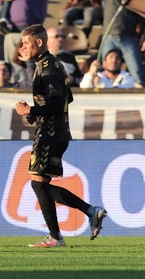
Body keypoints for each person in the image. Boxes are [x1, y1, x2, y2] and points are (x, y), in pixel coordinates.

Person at [15, 24, 107, 247]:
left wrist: (30, 110)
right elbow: (67, 99)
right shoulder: (55, 64)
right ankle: (90, 212)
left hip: (50, 134)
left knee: (38, 184)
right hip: (57, 132)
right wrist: (37, 113)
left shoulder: (46, 67)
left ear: (39, 42)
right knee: (42, 185)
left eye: (26, 42)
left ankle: (56, 236)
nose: (23, 46)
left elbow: (57, 103)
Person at [0, 0, 65, 84]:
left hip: (30, 32)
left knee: (29, 66)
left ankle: (30, 89)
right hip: (11, 31)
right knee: (13, 68)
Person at [89, 0, 145, 87]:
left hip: (129, 38)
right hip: (109, 37)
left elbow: (143, 17)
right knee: (103, 72)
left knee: (137, 75)